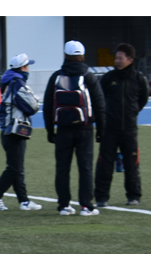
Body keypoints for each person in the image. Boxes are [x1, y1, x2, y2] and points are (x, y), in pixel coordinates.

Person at [43, 40, 105, 216]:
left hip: (63, 128)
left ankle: (64, 205)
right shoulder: (89, 76)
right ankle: (86, 206)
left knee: (62, 168)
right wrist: (101, 130)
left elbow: (48, 105)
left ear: (65, 55)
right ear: (82, 55)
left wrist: (50, 130)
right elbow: (100, 105)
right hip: (85, 128)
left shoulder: (56, 76)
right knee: (85, 168)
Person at [94, 43, 148, 208]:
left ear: (130, 60)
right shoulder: (108, 78)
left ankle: (133, 196)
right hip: (109, 129)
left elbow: (143, 99)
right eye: (116, 57)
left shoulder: (139, 79)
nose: (117, 61)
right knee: (105, 165)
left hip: (130, 130)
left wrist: (133, 112)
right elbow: (99, 100)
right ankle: (101, 198)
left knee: (132, 165)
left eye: (121, 58)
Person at [0, 53, 43, 212]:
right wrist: (35, 98)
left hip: (9, 130)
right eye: (27, 66)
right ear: (22, 68)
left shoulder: (10, 82)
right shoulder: (18, 84)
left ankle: (24, 201)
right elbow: (33, 106)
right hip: (14, 131)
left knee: (17, 167)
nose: (29, 69)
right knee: (15, 168)